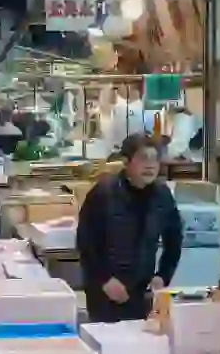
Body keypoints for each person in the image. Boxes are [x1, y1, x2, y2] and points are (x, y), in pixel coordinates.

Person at [76, 133, 184, 322]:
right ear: (126, 162)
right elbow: (86, 242)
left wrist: (163, 276)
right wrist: (104, 280)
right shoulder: (103, 193)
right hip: (105, 292)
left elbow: (174, 239)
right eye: (143, 159)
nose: (150, 166)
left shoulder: (162, 195)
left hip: (143, 293)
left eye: (155, 159)